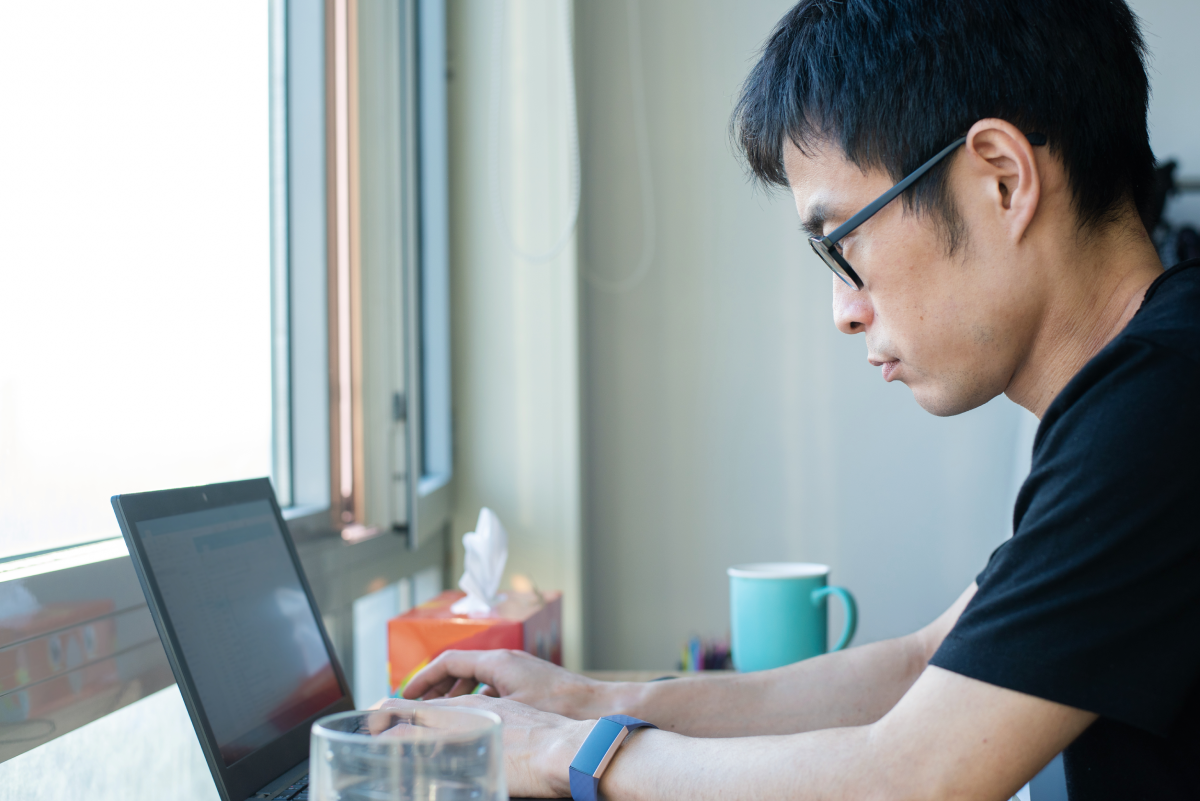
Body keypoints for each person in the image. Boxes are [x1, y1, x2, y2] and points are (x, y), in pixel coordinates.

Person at [385, 0, 1200, 797]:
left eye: (845, 244)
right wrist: (596, 703)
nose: (844, 311)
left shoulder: (1162, 407)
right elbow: (921, 666)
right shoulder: (1143, 387)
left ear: (1002, 179)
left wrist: (564, 755)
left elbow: (913, 776)